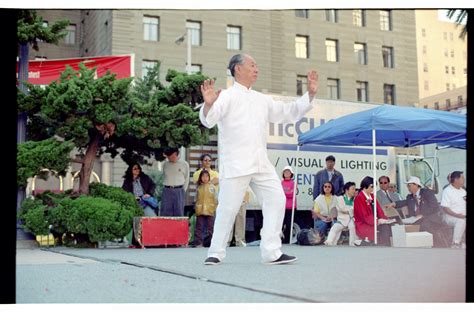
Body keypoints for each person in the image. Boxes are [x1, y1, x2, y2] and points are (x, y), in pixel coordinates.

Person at [199, 53, 319, 265]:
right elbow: (209, 120)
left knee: (277, 199)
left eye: (257, 65)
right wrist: (208, 104)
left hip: (260, 162)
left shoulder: (261, 99)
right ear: (237, 69)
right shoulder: (226, 96)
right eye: (252, 65)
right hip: (236, 163)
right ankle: (215, 253)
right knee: (228, 208)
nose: (256, 69)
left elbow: (288, 112)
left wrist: (309, 95)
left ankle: (271, 252)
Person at [394, 176, 445, 247]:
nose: (408, 188)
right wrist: (394, 204)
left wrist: (423, 215)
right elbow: (405, 202)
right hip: (417, 219)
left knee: (424, 226)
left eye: (409, 186)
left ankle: (435, 245)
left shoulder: (427, 192)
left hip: (431, 217)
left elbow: (434, 206)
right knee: (403, 225)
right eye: (407, 186)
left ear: (416, 185)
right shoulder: (410, 197)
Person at [354, 176, 395, 246]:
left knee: (386, 226)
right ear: (365, 186)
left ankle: (386, 247)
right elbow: (364, 216)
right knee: (383, 228)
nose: (373, 189)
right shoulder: (359, 198)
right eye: (372, 186)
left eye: (374, 187)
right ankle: (382, 246)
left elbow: (379, 210)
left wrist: (385, 219)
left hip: (374, 221)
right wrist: (377, 221)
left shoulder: (372, 196)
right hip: (364, 224)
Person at [325, 182, 358, 246]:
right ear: (347, 190)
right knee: (335, 228)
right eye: (353, 189)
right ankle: (329, 242)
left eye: (355, 189)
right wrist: (351, 210)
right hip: (341, 220)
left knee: (352, 226)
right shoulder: (340, 198)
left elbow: (354, 210)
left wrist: (349, 211)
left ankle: (352, 243)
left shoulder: (355, 200)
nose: (354, 191)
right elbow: (343, 209)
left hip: (351, 219)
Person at [440, 171, 466, 248]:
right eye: (462, 178)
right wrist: (457, 215)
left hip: (462, 216)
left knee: (462, 220)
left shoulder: (463, 191)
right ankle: (455, 244)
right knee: (461, 221)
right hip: (450, 217)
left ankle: (463, 243)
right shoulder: (447, 191)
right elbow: (445, 208)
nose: (464, 180)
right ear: (456, 179)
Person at [161, 147, 190, 217]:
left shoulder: (184, 164)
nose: (170, 159)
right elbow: (164, 176)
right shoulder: (165, 164)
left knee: (179, 212)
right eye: (169, 157)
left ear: (176, 154)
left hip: (179, 190)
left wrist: (183, 190)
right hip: (167, 190)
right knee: (165, 212)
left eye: (172, 157)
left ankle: (178, 228)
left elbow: (187, 179)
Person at [193, 170, 218, 248]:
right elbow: (195, 198)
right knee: (199, 227)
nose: (205, 178)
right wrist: (195, 206)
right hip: (200, 210)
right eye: (203, 176)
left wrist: (215, 207)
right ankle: (198, 243)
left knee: (211, 227)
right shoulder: (199, 188)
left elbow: (216, 198)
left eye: (207, 176)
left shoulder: (212, 187)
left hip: (210, 210)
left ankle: (213, 243)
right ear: (200, 178)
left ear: (209, 177)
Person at [281, 166, 297, 244]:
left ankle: (287, 240)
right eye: (285, 172)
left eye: (288, 172)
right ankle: (280, 239)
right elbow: (279, 194)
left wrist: (285, 193)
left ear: (291, 174)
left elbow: (292, 194)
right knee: (280, 224)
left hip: (291, 207)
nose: (287, 173)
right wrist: (287, 193)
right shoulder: (281, 183)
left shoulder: (293, 183)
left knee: (289, 224)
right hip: (281, 207)